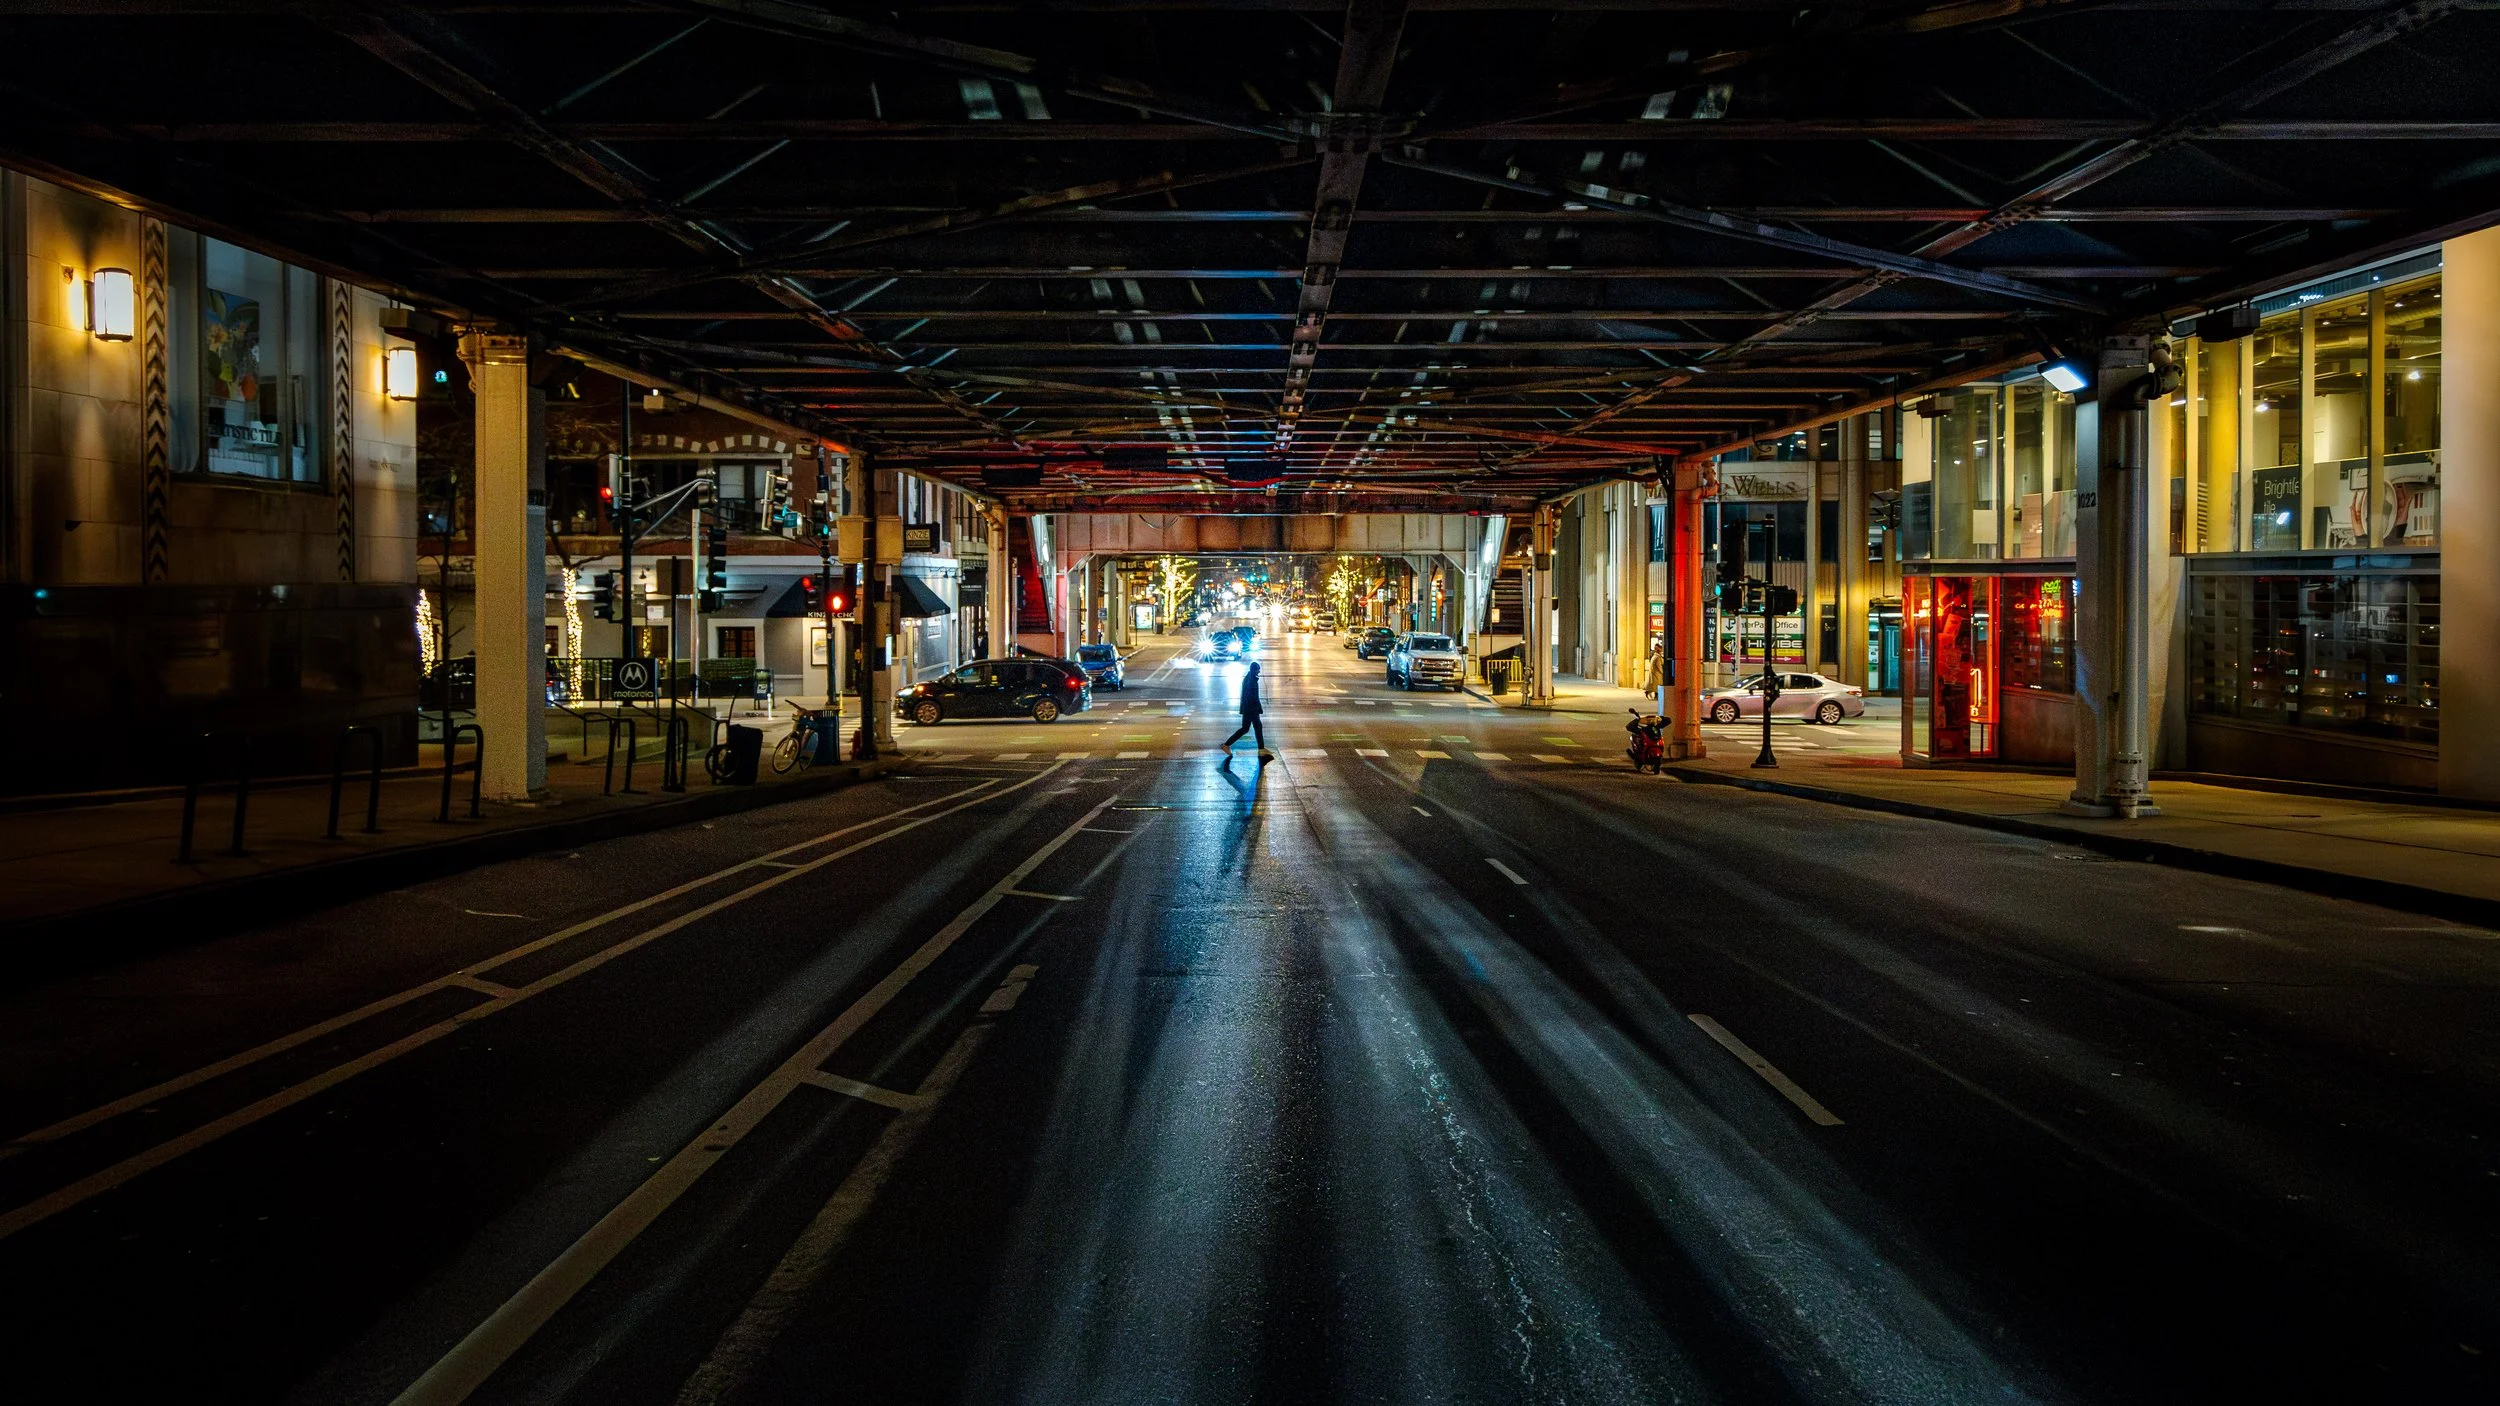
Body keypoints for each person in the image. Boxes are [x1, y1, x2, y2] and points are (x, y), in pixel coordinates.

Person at [1222, 659, 1272, 761]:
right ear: (1254, 670)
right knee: (1255, 727)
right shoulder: (1251, 680)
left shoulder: (1250, 678)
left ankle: (1227, 745)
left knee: (1247, 728)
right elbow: (1251, 697)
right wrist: (1255, 708)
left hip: (1249, 709)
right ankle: (1227, 745)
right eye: (1258, 670)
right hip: (1251, 709)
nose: (1259, 672)